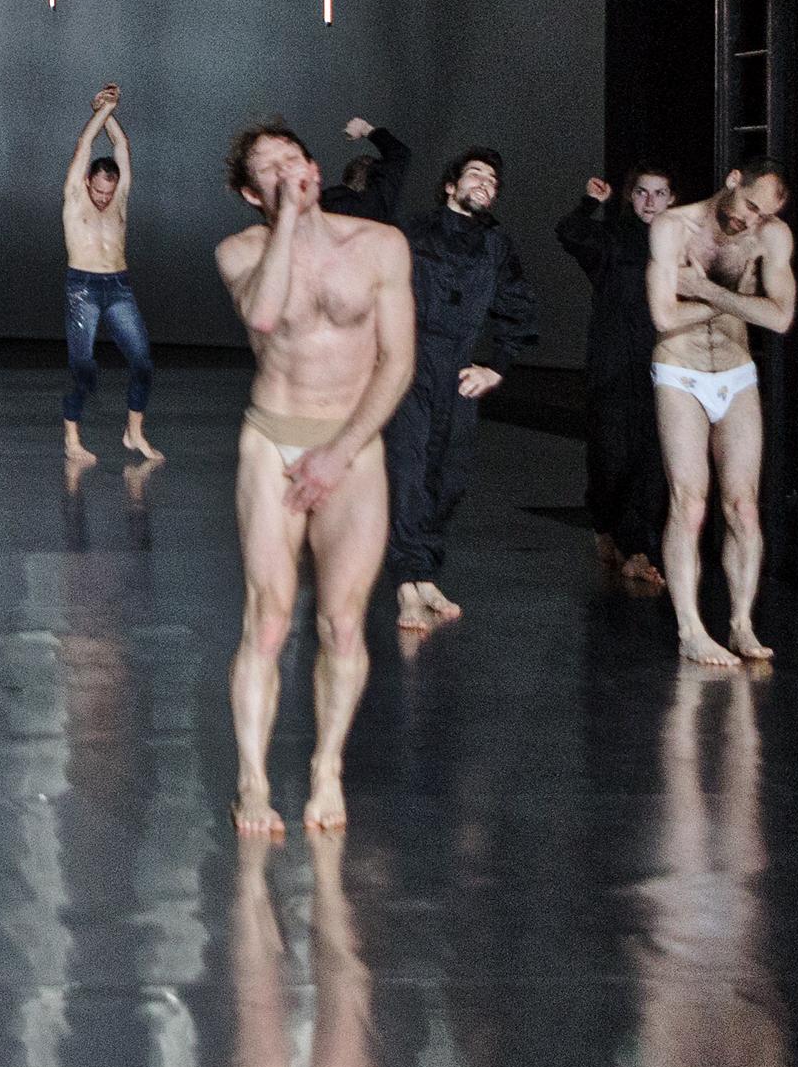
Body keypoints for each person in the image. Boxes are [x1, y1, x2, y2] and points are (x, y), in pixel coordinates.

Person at [215, 122, 416, 838]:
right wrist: (291, 221)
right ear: (250, 193)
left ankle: (327, 767)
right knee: (268, 620)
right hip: (272, 438)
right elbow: (264, 317)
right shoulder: (240, 251)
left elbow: (396, 362)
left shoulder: (379, 246)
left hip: (350, 446)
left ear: (313, 163)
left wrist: (338, 453)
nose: (284, 173)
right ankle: (252, 778)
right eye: (266, 170)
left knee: (340, 622)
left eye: (291, 160)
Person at [647, 162, 798, 668]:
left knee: (743, 506)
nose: (752, 222)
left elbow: (779, 318)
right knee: (690, 503)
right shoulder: (674, 227)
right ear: (734, 180)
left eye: (765, 215)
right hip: (680, 371)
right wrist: (742, 302)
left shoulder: (772, 238)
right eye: (751, 207)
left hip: (736, 372)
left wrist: (709, 292)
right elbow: (665, 316)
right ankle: (691, 629)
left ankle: (740, 623)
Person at [385, 149, 540, 631]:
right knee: (407, 469)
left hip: (458, 368)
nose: (486, 182)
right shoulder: (414, 232)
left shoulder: (497, 245)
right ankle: (406, 585)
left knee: (448, 476)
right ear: (451, 186)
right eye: (476, 173)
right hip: (409, 361)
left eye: (493, 179)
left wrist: (496, 365)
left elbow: (519, 306)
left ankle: (425, 571)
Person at [557, 168, 679, 593]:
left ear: (671, 200)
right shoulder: (613, 239)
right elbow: (570, 233)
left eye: (659, 193)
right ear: (631, 197)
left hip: (661, 362)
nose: (650, 201)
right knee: (610, 451)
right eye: (642, 192)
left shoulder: (679, 245)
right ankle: (605, 523)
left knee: (649, 453)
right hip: (611, 360)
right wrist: (590, 203)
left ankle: (638, 548)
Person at [60, 84, 161, 467]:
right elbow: (84, 142)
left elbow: (123, 148)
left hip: (118, 286)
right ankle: (72, 437)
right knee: (84, 369)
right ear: (88, 180)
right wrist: (102, 110)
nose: (103, 197)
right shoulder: (74, 197)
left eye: (109, 191)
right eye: (99, 190)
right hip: (82, 288)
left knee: (142, 363)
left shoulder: (118, 198)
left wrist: (109, 111)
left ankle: (133, 431)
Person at [324, 117, 413, 226]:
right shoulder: (376, 206)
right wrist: (365, 128)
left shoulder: (320, 204)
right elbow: (400, 154)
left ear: (346, 176)